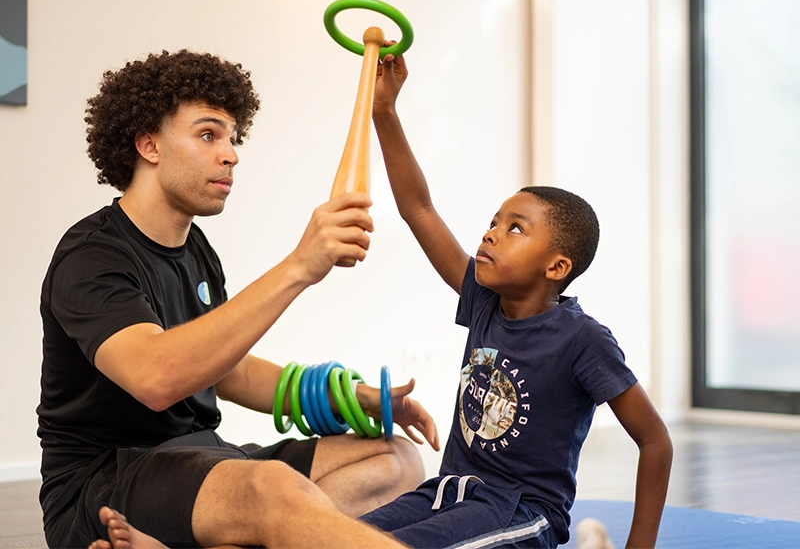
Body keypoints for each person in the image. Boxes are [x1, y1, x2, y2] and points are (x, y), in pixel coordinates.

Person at [37, 49, 439, 549]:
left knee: (395, 459)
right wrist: (298, 266)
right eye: (208, 135)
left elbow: (232, 372)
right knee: (272, 490)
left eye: (232, 137)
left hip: (201, 457)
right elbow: (156, 378)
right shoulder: (91, 256)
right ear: (148, 145)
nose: (230, 154)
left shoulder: (197, 250)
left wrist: (350, 398)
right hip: (105, 483)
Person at [356, 48, 674, 549]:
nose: (491, 234)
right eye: (493, 223)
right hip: (448, 493)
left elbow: (655, 441)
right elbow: (418, 208)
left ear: (556, 267)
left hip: (522, 510)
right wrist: (384, 113)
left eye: (515, 229)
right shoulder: (484, 298)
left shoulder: (583, 340)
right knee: (333, 537)